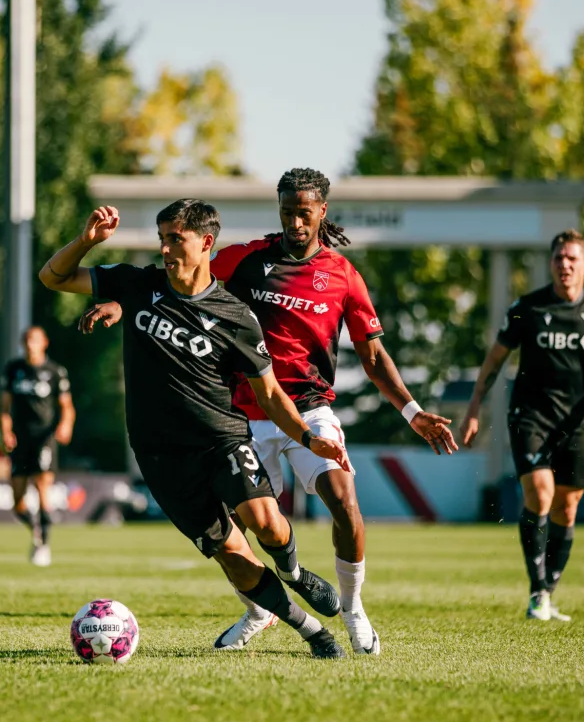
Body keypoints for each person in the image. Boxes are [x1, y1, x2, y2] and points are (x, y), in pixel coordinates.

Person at [80, 168, 458, 655]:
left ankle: (352, 608)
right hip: (243, 412)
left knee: (344, 499)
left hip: (308, 407)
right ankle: (260, 611)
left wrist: (412, 412)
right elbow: (178, 283)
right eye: (286, 212)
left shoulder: (344, 276)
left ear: (322, 211)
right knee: (237, 537)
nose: (295, 222)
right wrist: (120, 305)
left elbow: (373, 356)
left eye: (304, 213)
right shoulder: (245, 259)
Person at [40, 199, 354, 659]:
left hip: (221, 440)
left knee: (266, 523)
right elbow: (53, 277)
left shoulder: (236, 317)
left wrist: (308, 438)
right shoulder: (138, 285)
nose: (165, 249)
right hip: (160, 456)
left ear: (206, 242)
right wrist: (86, 241)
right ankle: (312, 631)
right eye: (162, 239)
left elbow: (269, 395)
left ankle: (293, 572)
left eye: (175, 239)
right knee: (233, 556)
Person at [460, 230, 584, 621]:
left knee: (567, 506)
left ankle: (548, 590)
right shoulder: (528, 309)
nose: (564, 265)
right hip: (529, 415)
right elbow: (495, 359)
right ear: (551, 264)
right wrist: (474, 408)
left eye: (572, 258)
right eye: (558, 258)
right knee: (541, 492)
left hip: (576, 423)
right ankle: (537, 592)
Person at [1, 326, 75, 566]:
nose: (30, 344)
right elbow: (4, 407)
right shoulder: (14, 369)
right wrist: (6, 432)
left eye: (34, 340)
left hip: (44, 438)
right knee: (18, 501)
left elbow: (67, 407)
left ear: (44, 343)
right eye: (27, 340)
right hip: (19, 440)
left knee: (43, 487)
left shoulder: (55, 372)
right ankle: (35, 529)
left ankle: (43, 545)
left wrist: (65, 426)